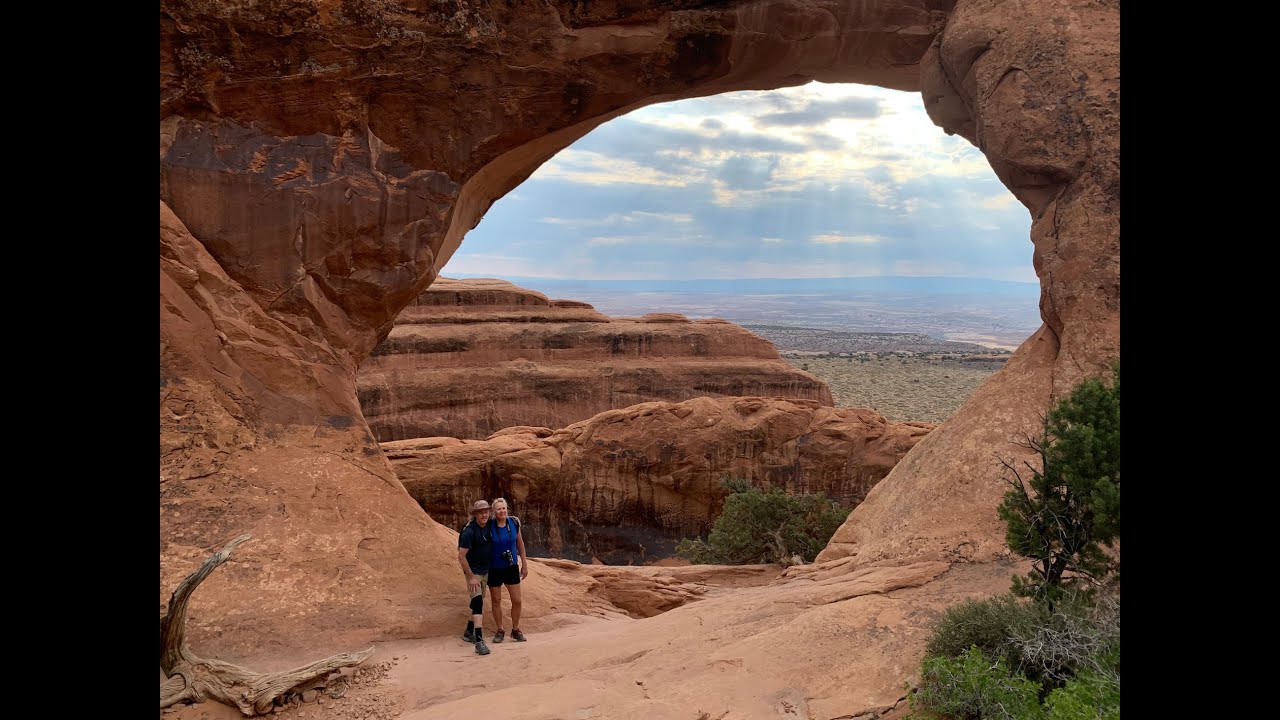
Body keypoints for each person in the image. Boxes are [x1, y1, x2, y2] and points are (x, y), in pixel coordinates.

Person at [486, 498, 530, 643]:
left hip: (511, 567)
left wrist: (524, 564)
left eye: (504, 508)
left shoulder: (514, 523)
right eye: (498, 509)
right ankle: (500, 630)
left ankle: (515, 629)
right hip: (494, 568)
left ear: (507, 509)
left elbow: (520, 544)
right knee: (496, 600)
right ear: (493, 511)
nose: (502, 511)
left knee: (517, 600)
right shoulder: (489, 525)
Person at [457, 499, 495, 655]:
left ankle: (468, 631)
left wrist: (515, 520)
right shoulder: (469, 531)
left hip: (485, 570)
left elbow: (503, 520)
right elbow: (461, 556)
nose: (484, 515)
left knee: (476, 601)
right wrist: (471, 576)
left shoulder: (488, 525)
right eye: (481, 512)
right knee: (478, 602)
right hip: (474, 572)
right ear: (475, 514)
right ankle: (479, 641)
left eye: (486, 511)